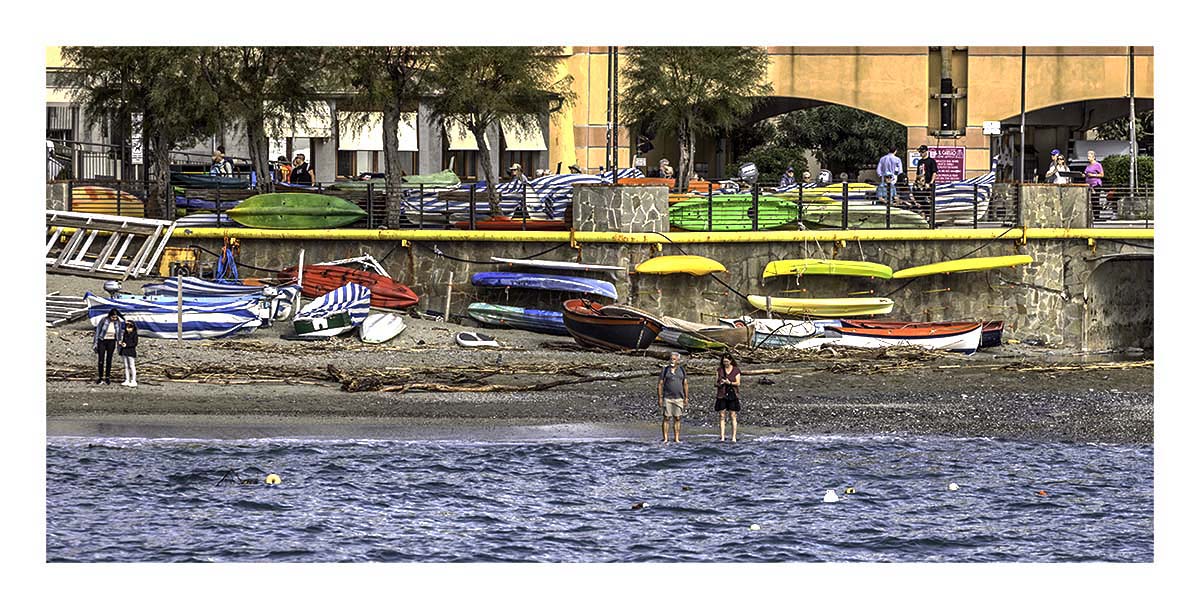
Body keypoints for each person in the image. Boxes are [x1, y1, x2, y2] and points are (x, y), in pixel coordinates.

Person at [657, 352, 689, 443]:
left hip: (679, 397)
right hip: (667, 397)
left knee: (677, 417)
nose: (672, 361)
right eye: (671, 359)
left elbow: (685, 384)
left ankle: (677, 438)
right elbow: (660, 384)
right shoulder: (665, 370)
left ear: (678, 360)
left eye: (674, 359)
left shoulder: (682, 370)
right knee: (666, 417)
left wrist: (686, 397)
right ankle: (665, 438)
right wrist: (660, 397)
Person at [715, 353, 742, 442]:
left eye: (727, 361)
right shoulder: (719, 370)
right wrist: (720, 383)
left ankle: (733, 437)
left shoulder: (736, 370)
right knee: (722, 415)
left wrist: (729, 382)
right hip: (722, 394)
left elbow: (738, 383)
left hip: (732, 394)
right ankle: (722, 436)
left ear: (730, 361)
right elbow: (715, 383)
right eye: (724, 362)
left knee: (733, 415)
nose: (725, 363)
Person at [93, 309, 124, 385]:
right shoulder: (104, 320)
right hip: (102, 340)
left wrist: (119, 342)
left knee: (109, 359)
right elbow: (98, 330)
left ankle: (107, 377)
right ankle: (100, 377)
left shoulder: (118, 322)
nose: (114, 319)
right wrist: (96, 342)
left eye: (116, 317)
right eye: (113, 317)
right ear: (110, 316)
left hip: (112, 341)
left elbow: (119, 332)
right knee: (101, 359)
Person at [914, 145, 938, 210]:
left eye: (922, 152)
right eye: (920, 152)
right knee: (921, 200)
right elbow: (918, 173)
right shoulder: (920, 161)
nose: (921, 153)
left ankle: (929, 215)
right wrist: (916, 182)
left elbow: (934, 172)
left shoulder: (931, 161)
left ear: (926, 152)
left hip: (928, 184)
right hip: (921, 184)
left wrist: (930, 183)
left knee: (929, 201)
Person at [119, 319, 139, 388]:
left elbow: (135, 343)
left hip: (131, 351)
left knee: (132, 366)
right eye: (127, 327)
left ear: (133, 328)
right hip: (124, 351)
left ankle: (133, 380)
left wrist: (127, 345)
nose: (128, 329)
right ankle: (127, 379)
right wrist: (121, 343)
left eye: (130, 327)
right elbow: (124, 341)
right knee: (126, 366)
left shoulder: (135, 334)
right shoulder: (125, 333)